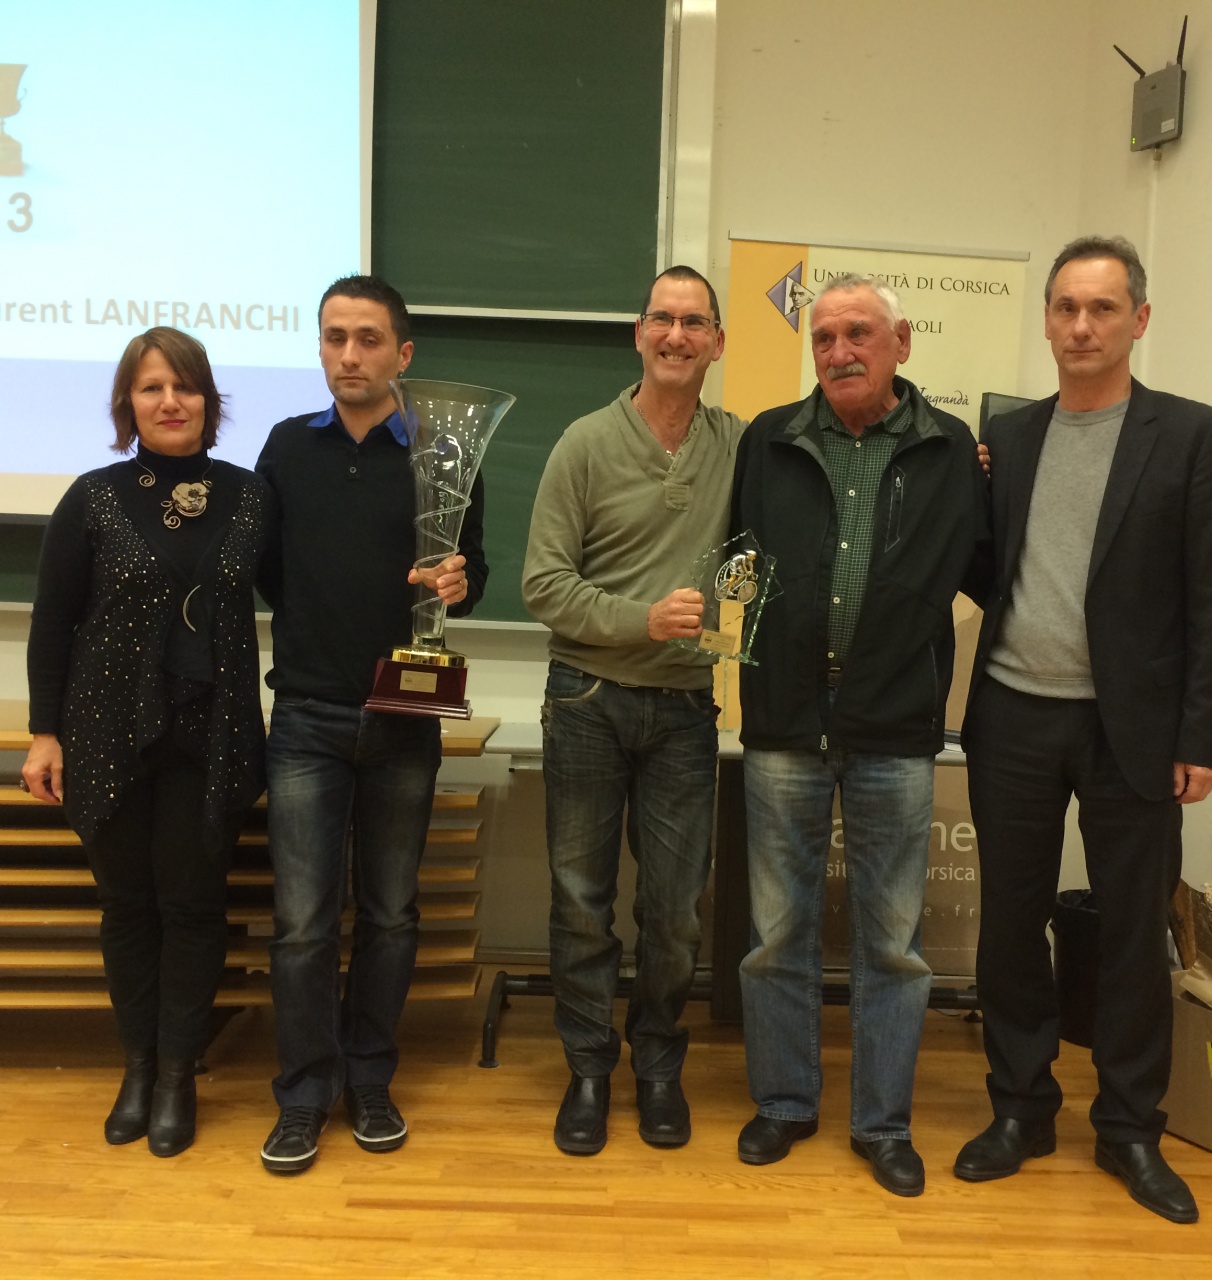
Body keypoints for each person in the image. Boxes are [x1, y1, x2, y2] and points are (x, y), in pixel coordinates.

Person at [953, 236, 1212, 1225]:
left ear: (1138, 319)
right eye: (1066, 308)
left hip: (1138, 727)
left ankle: (1128, 1128)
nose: (1081, 326)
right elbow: (983, 565)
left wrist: (1203, 734)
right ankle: (1019, 1108)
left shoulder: (1194, 436)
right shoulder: (1008, 438)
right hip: (1011, 714)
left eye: (1102, 308)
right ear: (1045, 319)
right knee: (1009, 922)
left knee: (1128, 930)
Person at [731, 274, 987, 1195]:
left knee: (892, 945)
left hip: (896, 728)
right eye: (824, 336)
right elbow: (733, 564)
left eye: (859, 334)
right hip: (784, 724)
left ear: (901, 344)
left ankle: (883, 1125)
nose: (839, 351)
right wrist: (733, 658)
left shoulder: (951, 449)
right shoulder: (769, 438)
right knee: (777, 934)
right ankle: (784, 1102)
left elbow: (985, 567)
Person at [254, 274, 486, 1175]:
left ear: (403, 354)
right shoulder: (286, 446)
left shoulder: (444, 453)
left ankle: (370, 1077)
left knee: (390, 915)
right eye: (334, 338)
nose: (348, 355)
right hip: (306, 716)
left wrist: (459, 583)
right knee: (303, 924)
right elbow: (266, 571)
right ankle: (304, 1094)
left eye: (367, 339)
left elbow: (474, 572)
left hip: (404, 715)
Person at [22, 327, 272, 1158]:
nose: (171, 402)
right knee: (128, 907)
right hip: (105, 735)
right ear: (128, 403)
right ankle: (137, 1067)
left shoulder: (250, 496)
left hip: (214, 734)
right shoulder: (92, 498)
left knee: (194, 907)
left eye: (185, 386)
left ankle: (176, 1076)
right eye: (152, 388)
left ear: (208, 400)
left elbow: (302, 590)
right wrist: (44, 734)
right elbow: (53, 621)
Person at [522, 265, 743, 1155]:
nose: (676, 335)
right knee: (582, 902)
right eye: (662, 319)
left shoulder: (741, 446)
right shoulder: (582, 443)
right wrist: (639, 620)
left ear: (718, 341)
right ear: (638, 334)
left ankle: (657, 1065)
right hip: (586, 701)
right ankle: (587, 1069)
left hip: (685, 710)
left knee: (675, 910)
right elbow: (543, 584)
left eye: (694, 322)